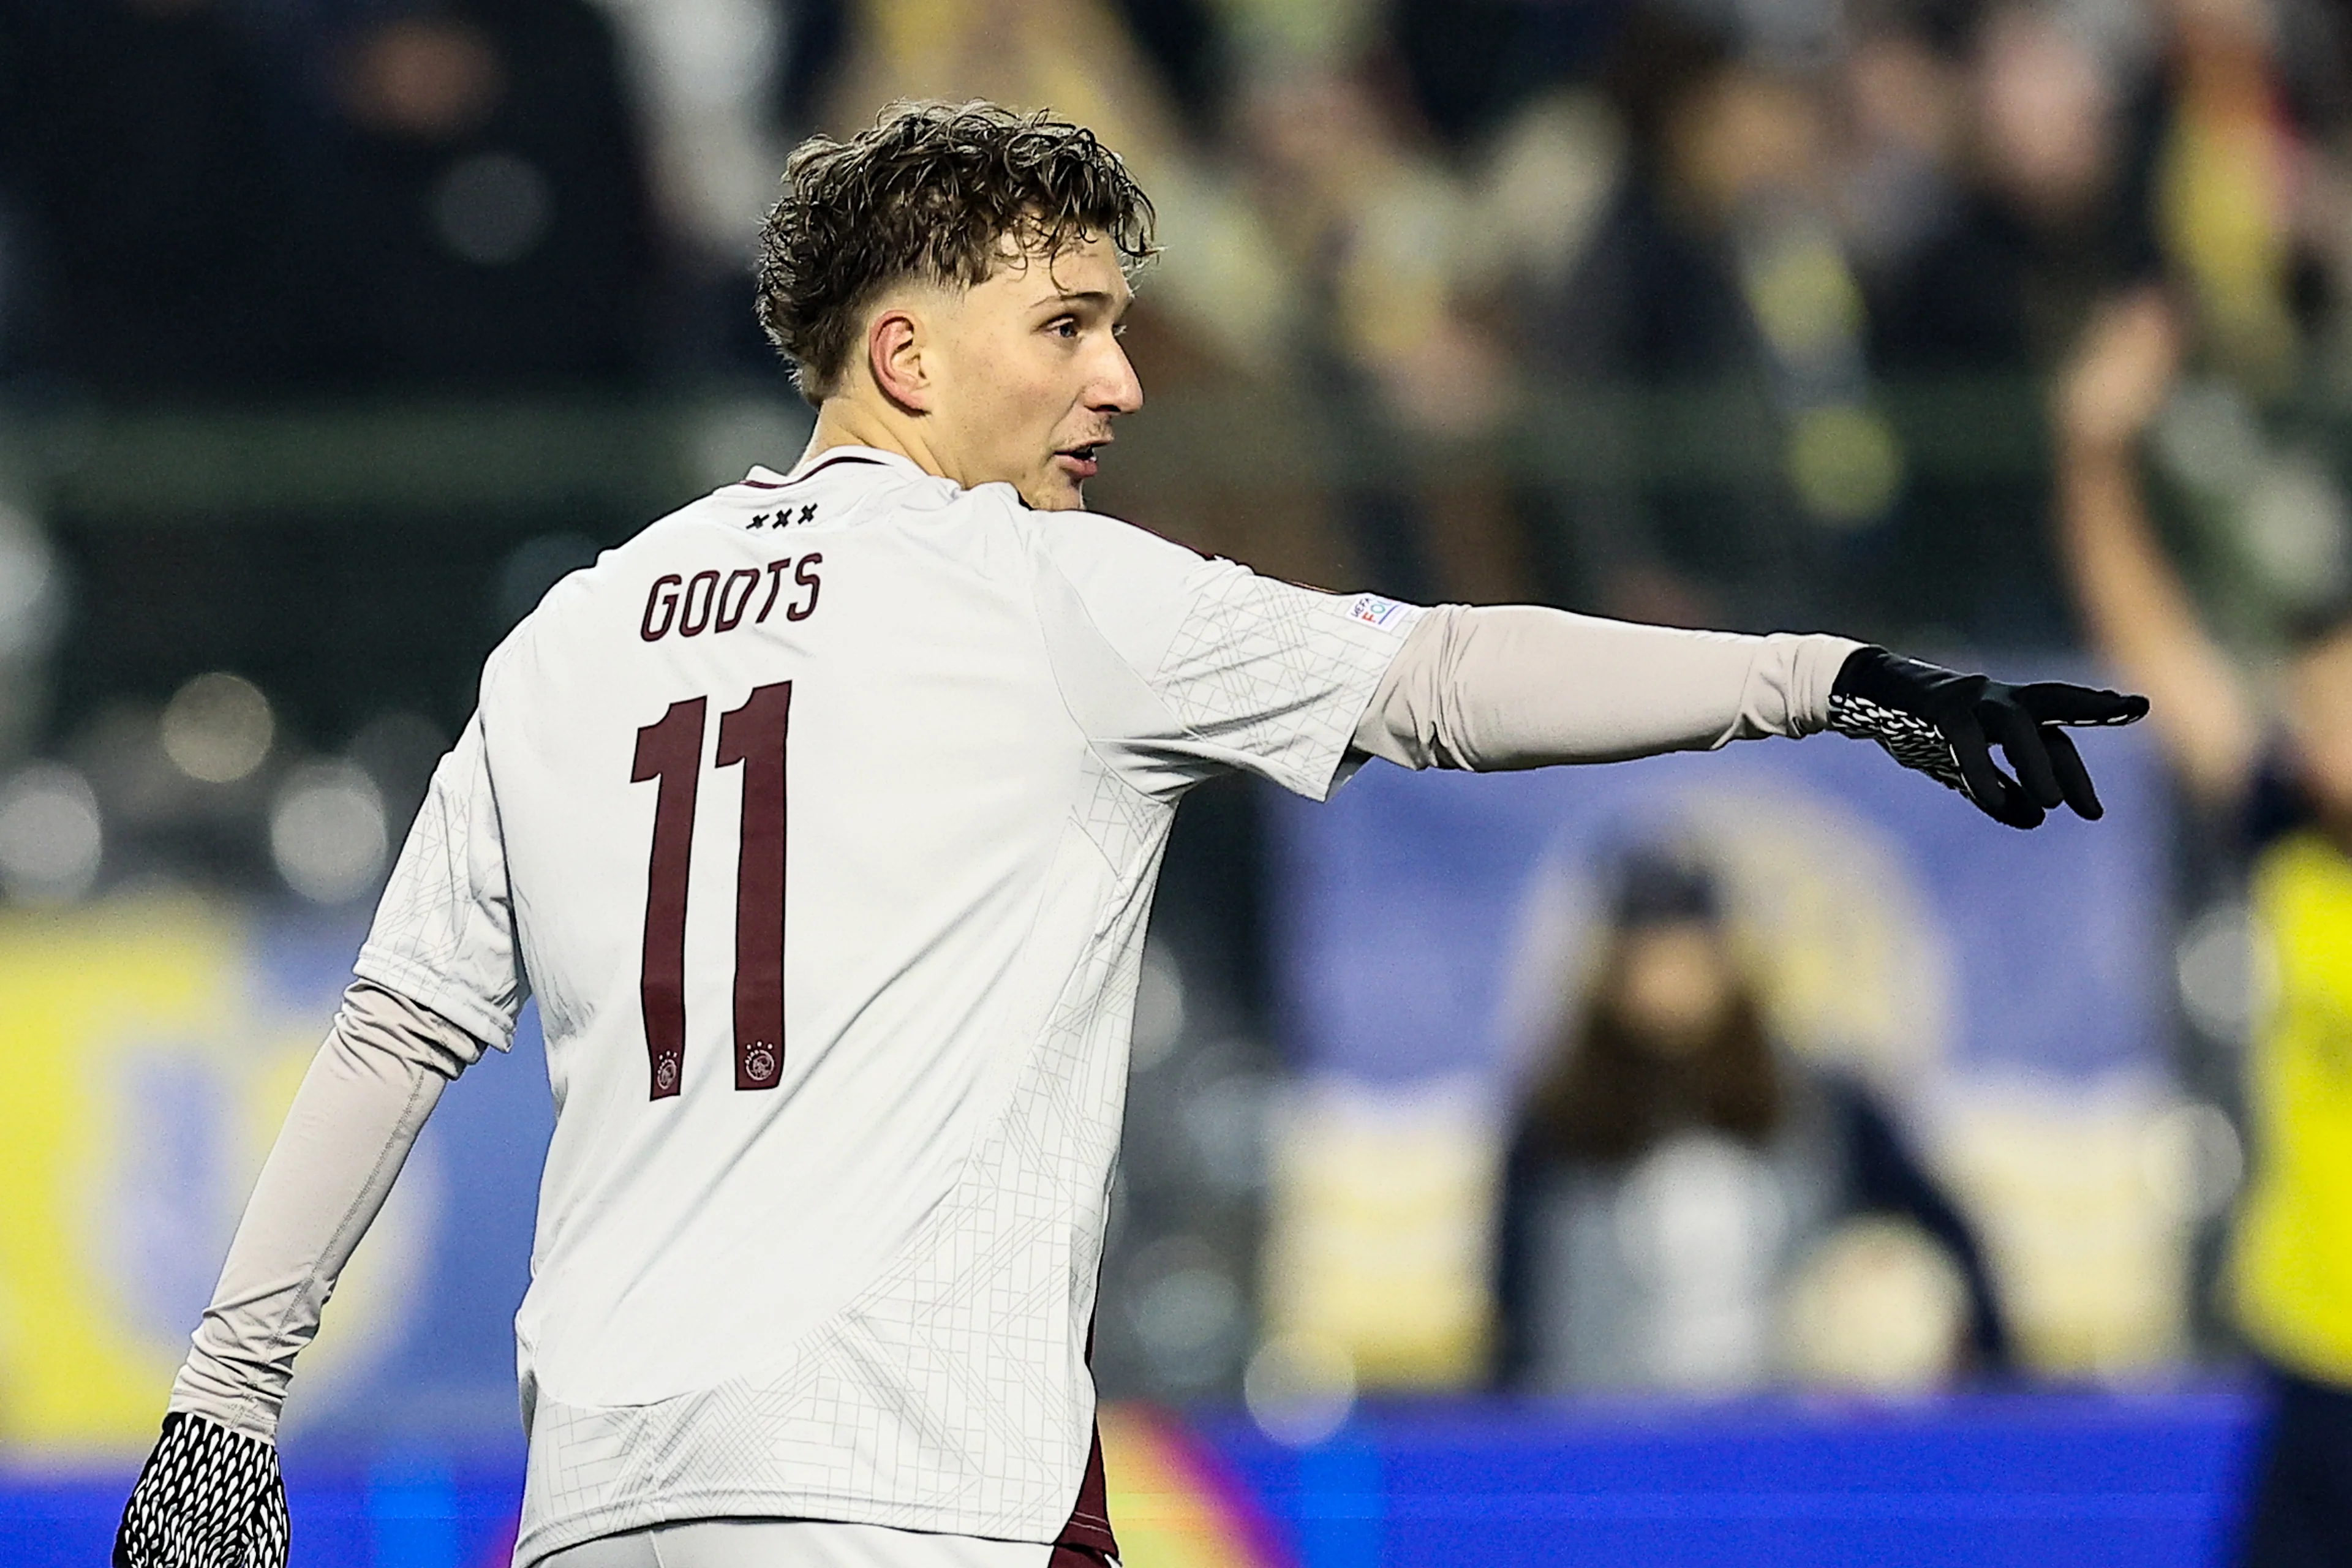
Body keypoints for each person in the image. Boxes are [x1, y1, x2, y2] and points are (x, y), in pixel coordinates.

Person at [112, 101, 2145, 1568]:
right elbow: (1440, 678)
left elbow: (391, 1037)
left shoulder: (572, 637)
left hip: (607, 1498)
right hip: (907, 1492)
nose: (1124, 376)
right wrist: (1829, 676)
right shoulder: (1044, 599)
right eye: (1070, 326)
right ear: (906, 355)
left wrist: (224, 1405)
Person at [2055, 285, 2352, 1567]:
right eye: (2311, 700)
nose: (2315, 726)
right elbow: (2155, 651)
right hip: (2318, 1360)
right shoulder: (2295, 840)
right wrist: (2094, 453)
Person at [1493, 848, 2008, 1395]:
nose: (1669, 987)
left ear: (1728, 965)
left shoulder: (1821, 1108)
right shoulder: (1556, 1124)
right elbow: (1517, 1306)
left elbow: (1946, 1239)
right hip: (1607, 1440)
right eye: (1648, 963)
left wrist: (1994, 1389)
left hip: (1785, 1446)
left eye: (1686, 961)